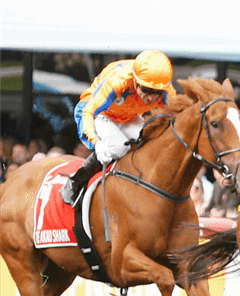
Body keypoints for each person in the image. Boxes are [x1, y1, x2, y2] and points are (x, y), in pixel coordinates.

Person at [60, 50, 176, 206]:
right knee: (118, 147)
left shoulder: (167, 92)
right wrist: (96, 142)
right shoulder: (119, 82)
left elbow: (178, 120)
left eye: (157, 93)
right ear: (135, 81)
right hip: (100, 113)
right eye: (147, 90)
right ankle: (75, 181)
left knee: (150, 144)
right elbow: (89, 111)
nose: (151, 98)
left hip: (128, 115)